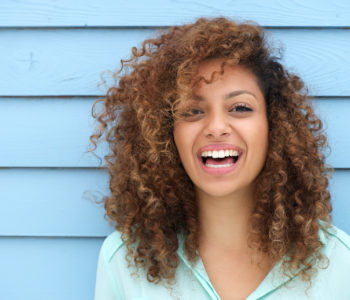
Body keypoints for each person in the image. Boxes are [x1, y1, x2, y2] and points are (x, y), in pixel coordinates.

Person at [91, 17, 350, 299]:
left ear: (273, 125)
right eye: (192, 111)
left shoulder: (340, 264)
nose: (216, 127)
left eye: (240, 107)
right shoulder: (124, 262)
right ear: (167, 134)